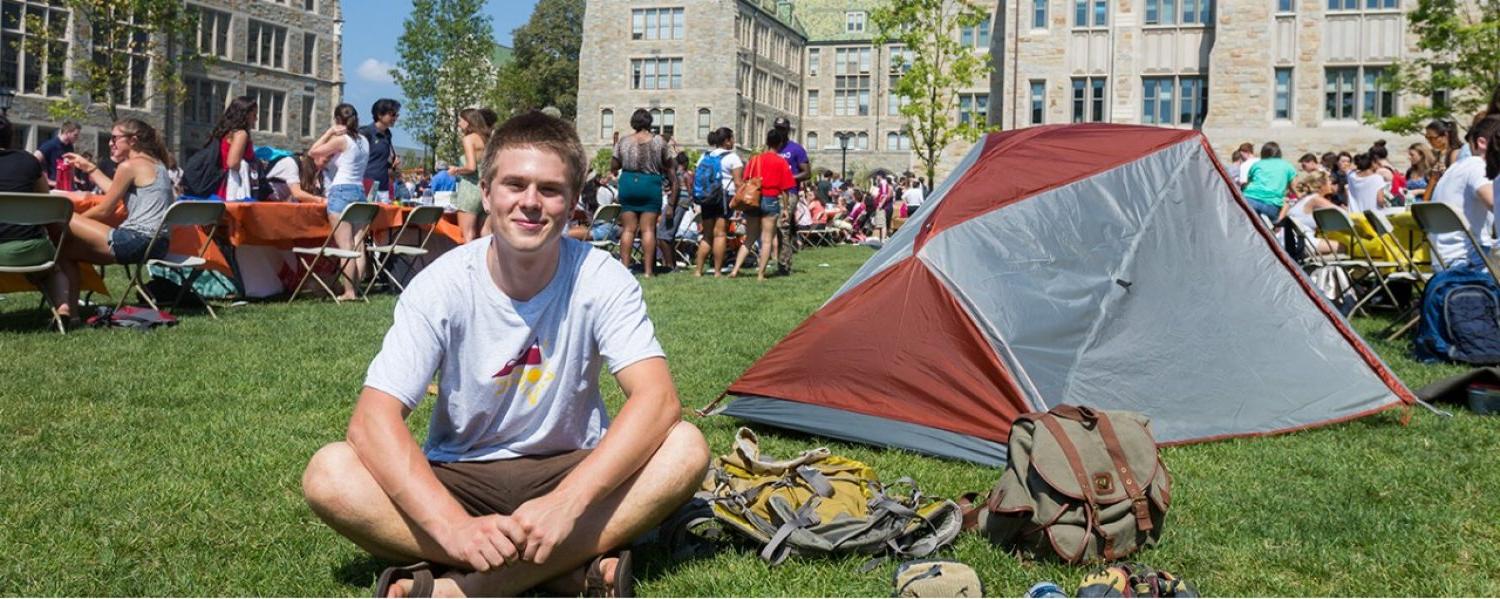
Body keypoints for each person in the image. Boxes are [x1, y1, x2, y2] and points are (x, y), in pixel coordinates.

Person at [299, 111, 708, 598]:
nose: (530, 203)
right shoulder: (441, 284)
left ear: (573, 201)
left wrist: (568, 502)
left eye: (550, 190)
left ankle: (458, 589)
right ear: (486, 192)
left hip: (569, 466)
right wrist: (454, 527)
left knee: (685, 446)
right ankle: (567, 569)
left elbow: (658, 401)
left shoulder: (602, 278)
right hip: (461, 477)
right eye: (515, 185)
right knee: (330, 472)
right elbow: (372, 422)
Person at [57, 118, 175, 317]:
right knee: (67, 252)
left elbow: (105, 210)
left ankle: (69, 310)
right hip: (159, 244)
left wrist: (75, 221)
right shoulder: (157, 164)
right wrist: (89, 168)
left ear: (133, 140)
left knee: (59, 220)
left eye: (115, 138)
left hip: (135, 240)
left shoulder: (130, 166)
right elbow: (115, 190)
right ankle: (71, 314)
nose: (110, 143)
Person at [0, 116, 67, 320]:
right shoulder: (29, 161)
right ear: (10, 138)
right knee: (54, 270)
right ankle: (64, 310)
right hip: (34, 250)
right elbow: (44, 201)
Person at [309, 103, 371, 301]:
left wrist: (329, 132)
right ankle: (357, 287)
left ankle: (349, 292)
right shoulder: (364, 140)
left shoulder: (341, 140)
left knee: (345, 246)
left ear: (338, 120)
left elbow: (313, 152)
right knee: (358, 246)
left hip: (341, 190)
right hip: (359, 191)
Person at [1427, 115, 1498, 270]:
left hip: (1443, 260)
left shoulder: (1455, 168)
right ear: (1482, 143)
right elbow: (1495, 204)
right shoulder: (1478, 166)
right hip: (1470, 261)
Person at [610, 109, 675, 277]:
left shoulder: (623, 141)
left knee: (628, 229)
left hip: (629, 183)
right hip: (650, 183)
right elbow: (668, 164)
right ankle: (648, 271)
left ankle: (624, 268)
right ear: (649, 122)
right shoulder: (659, 142)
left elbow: (614, 166)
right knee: (648, 230)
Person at [730, 127, 795, 281]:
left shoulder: (755, 160)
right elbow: (785, 189)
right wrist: (785, 208)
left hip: (753, 200)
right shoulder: (781, 162)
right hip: (771, 199)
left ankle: (735, 270)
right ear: (779, 144)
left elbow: (746, 180)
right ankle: (760, 274)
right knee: (767, 240)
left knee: (750, 238)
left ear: (766, 142)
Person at [694, 128, 743, 278]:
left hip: (707, 198)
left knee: (707, 235)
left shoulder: (704, 156)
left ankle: (698, 270)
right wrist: (740, 203)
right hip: (723, 198)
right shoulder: (733, 158)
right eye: (732, 138)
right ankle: (716, 271)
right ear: (727, 140)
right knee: (720, 234)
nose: (733, 141)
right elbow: (738, 183)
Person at [451, 108, 497, 243]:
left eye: (461, 120)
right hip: (486, 189)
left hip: (470, 189)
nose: (459, 123)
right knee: (486, 234)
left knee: (467, 235)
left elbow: (471, 167)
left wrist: (456, 170)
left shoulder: (469, 139)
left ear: (468, 121)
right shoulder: (489, 139)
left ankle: (469, 264)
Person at [772, 117, 810, 274]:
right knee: (772, 228)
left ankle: (784, 264)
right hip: (771, 192)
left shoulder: (796, 149)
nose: (780, 131)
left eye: (782, 129)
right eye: (777, 128)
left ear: (788, 130)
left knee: (783, 227)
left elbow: (807, 173)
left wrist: (788, 177)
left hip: (789, 192)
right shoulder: (772, 149)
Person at [203, 95, 258, 202]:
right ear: (245, 115)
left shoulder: (225, 133)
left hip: (222, 186)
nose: (256, 119)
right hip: (233, 188)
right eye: (254, 114)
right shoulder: (241, 134)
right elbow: (232, 163)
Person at [1279, 170, 1342, 256]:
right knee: (1345, 246)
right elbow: (1342, 214)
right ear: (1321, 186)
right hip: (1301, 243)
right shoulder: (1316, 199)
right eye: (1329, 181)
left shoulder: (1304, 198)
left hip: (1286, 241)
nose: (1331, 184)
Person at [1241, 142, 1296, 223]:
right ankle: (1276, 224)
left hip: (1248, 200)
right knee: (1286, 205)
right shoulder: (1288, 166)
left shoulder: (1257, 164)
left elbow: (1248, 183)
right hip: (1270, 205)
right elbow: (1295, 188)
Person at [361, 98, 402, 202]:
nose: (395, 118)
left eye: (396, 115)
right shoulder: (366, 133)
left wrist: (393, 164)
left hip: (383, 186)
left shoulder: (388, 135)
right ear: (380, 115)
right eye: (392, 115)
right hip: (368, 185)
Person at [33, 120, 79, 189]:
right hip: (53, 187)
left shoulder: (70, 146)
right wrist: (46, 180)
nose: (77, 138)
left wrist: (73, 179)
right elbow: (33, 160)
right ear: (67, 132)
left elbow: (71, 166)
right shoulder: (50, 145)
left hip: (66, 186)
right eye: (75, 135)